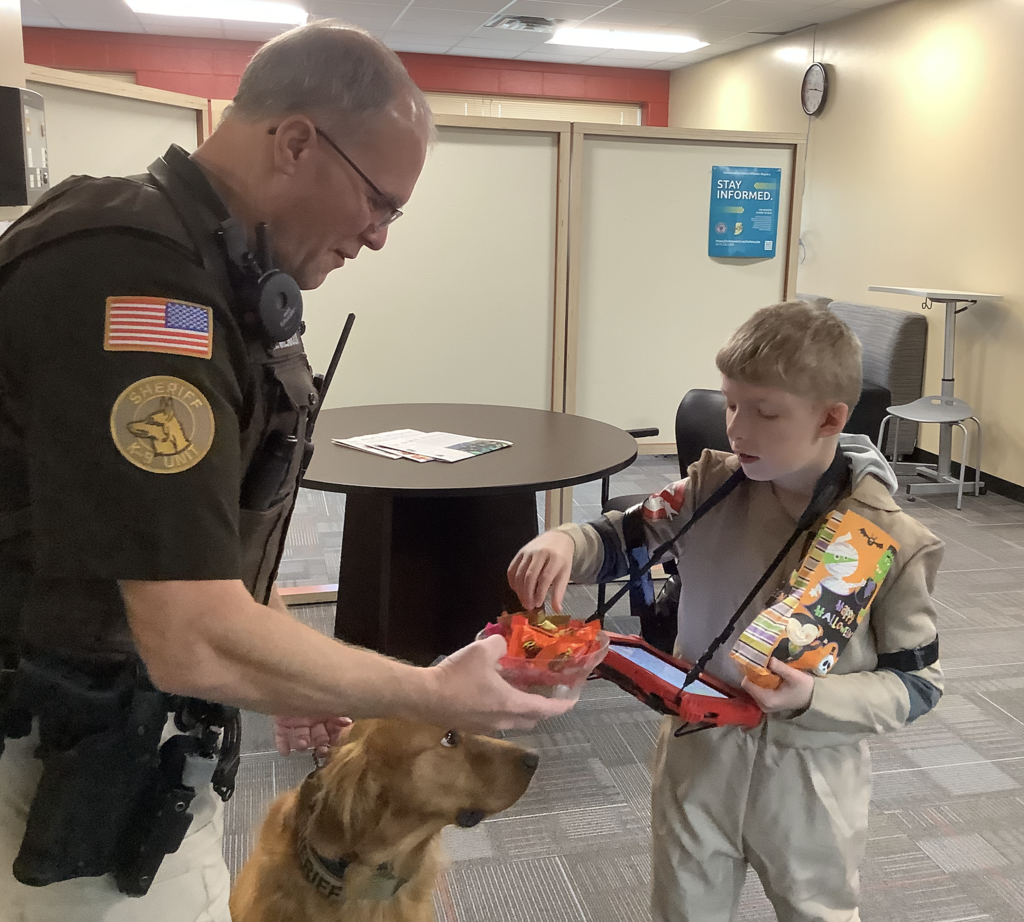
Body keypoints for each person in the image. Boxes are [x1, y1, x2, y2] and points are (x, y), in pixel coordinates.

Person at [0, 20, 572, 922]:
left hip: (138, 741)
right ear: (298, 141)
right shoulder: (138, 284)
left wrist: (289, 675)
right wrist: (423, 693)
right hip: (58, 755)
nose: (379, 237)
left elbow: (200, 545)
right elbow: (189, 630)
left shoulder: (213, 273)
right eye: (380, 202)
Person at [508, 301, 944, 922]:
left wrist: (815, 701)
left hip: (809, 772)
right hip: (699, 749)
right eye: (731, 404)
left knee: (814, 908)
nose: (737, 430)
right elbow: (623, 535)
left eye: (765, 412)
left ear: (831, 418)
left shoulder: (891, 540)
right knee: (684, 907)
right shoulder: (710, 485)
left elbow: (918, 684)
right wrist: (563, 542)